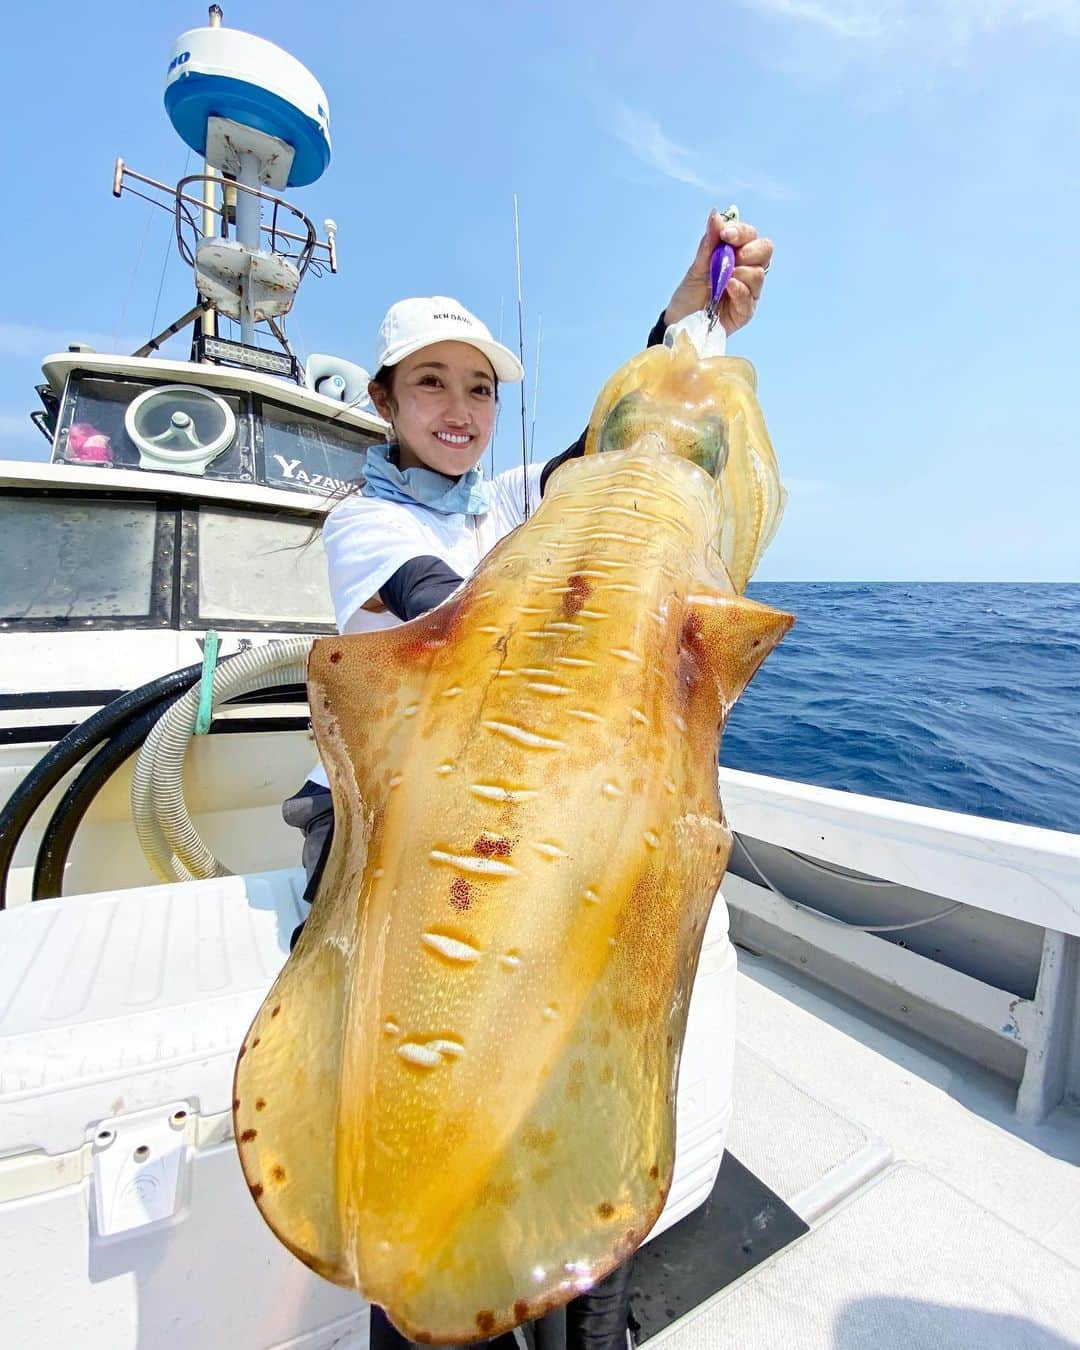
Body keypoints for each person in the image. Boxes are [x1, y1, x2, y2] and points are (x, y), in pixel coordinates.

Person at [283, 209, 773, 1350]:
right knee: (414, 1109)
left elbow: (608, 460)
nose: (460, 411)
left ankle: (573, 1289)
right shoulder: (365, 522)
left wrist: (687, 319)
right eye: (433, 386)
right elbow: (441, 622)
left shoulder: (510, 507)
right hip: (414, 867)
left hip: (534, 852)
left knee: (555, 1095)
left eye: (481, 391)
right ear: (386, 404)